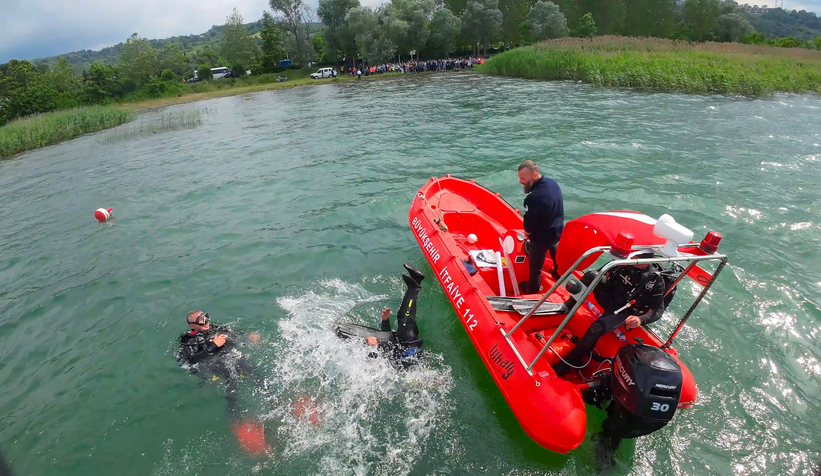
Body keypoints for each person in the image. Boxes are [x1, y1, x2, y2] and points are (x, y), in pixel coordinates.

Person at [552, 252, 677, 376]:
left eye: (634, 257)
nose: (630, 258)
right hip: (610, 296)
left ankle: (570, 362)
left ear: (645, 262)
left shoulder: (655, 281)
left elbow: (658, 310)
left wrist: (640, 320)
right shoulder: (622, 261)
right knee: (591, 275)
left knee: (596, 329)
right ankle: (568, 306)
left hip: (624, 310)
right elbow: (599, 273)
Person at [178, 311, 269, 455]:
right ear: (192, 325)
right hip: (218, 364)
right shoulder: (190, 341)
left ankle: (278, 400)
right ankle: (237, 422)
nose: (206, 322)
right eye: (201, 320)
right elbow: (192, 359)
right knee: (232, 384)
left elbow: (234, 332)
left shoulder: (215, 328)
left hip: (234, 357)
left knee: (259, 375)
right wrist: (213, 346)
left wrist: (249, 335)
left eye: (206, 318)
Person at [336, 263, 425, 365]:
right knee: (405, 323)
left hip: (401, 344)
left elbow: (388, 339)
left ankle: (416, 280)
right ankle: (414, 287)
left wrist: (385, 321)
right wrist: (373, 349)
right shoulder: (362, 364)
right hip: (409, 351)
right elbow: (380, 365)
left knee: (401, 317)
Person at [518, 160, 564, 293]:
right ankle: (559, 273)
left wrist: (526, 234)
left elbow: (529, 225)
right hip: (557, 232)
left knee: (535, 270)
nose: (520, 182)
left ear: (535, 174)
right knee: (555, 251)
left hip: (541, 239)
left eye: (523, 178)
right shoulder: (552, 183)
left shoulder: (533, 198)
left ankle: (532, 291)